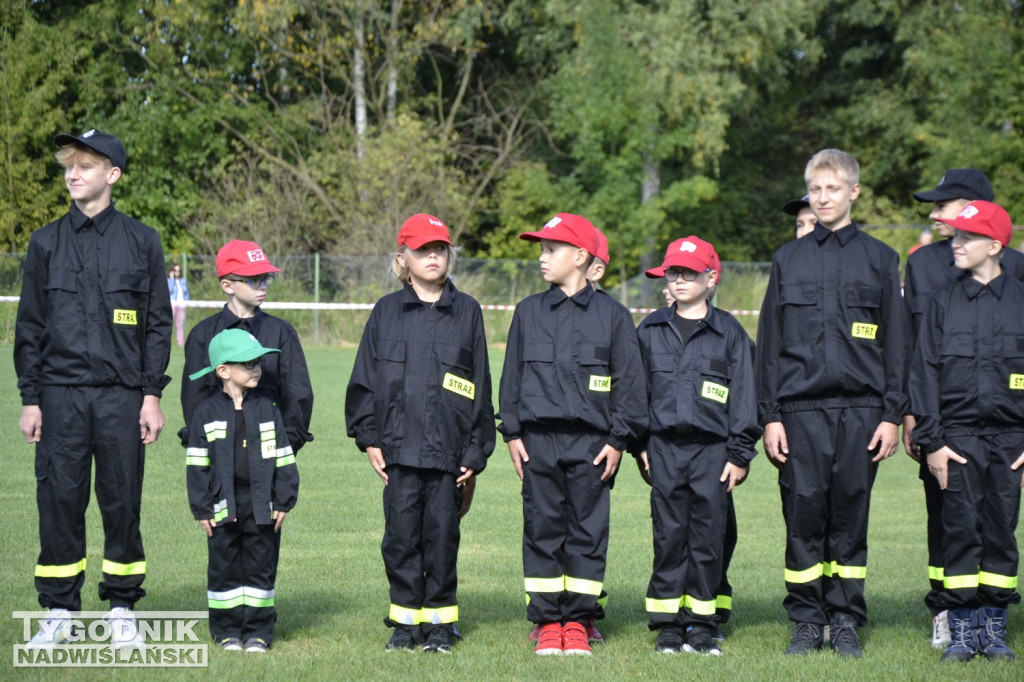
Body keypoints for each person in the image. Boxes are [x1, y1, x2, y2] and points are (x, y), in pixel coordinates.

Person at [15, 129, 172, 647]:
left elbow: (156, 326)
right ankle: (60, 609)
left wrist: (151, 396)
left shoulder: (143, 241)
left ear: (113, 175)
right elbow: (31, 326)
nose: (72, 174)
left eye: (84, 165)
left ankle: (122, 604)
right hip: (58, 396)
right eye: (68, 166)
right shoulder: (44, 243)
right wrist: (30, 398)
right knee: (59, 499)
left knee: (121, 499)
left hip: (123, 398)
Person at [756, 149, 909, 658]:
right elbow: (770, 346)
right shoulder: (787, 259)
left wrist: (891, 416)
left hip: (863, 413)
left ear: (853, 193)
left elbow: (897, 346)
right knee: (802, 517)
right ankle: (805, 619)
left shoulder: (881, 259)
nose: (823, 198)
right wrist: (770, 417)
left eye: (833, 189)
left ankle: (844, 619)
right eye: (815, 190)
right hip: (799, 414)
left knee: (849, 518)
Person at [497, 213, 647, 656]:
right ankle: (547, 621)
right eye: (541, 250)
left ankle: (579, 620)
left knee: (587, 532)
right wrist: (513, 433)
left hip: (594, 446)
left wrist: (618, 441)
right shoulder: (528, 312)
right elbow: (511, 380)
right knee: (542, 530)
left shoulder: (614, 316)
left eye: (551, 249)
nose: (542, 258)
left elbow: (631, 386)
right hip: (538, 443)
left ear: (580, 256)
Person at [345, 214, 495, 654]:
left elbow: (480, 385)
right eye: (423, 250)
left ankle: (440, 625)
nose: (433, 256)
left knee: (443, 538)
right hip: (399, 451)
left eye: (440, 249)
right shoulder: (386, 312)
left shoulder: (467, 311)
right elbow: (364, 382)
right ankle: (405, 624)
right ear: (402, 259)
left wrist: (475, 448)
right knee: (401, 539)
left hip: (450, 454)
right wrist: (369, 438)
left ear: (450, 255)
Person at [902, 168, 1024, 648]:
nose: (956, 242)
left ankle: (994, 624)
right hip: (956, 441)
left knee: (1000, 532)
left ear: (994, 246)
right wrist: (932, 441)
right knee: (958, 532)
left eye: (969, 237)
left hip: (1010, 442)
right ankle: (961, 625)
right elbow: (923, 373)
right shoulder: (939, 302)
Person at [636, 236, 759, 656]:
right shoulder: (650, 329)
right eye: (673, 272)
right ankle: (669, 625)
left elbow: (745, 396)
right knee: (669, 535)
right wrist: (640, 445)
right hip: (664, 448)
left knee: (708, 537)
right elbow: (637, 393)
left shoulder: (730, 333)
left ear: (711, 279)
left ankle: (703, 625)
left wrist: (739, 453)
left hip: (713, 452)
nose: (680, 280)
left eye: (690, 273)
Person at [187, 329, 298, 652]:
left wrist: (283, 499)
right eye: (247, 364)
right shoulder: (206, 412)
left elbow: (283, 457)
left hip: (262, 503)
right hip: (223, 503)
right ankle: (227, 632)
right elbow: (197, 465)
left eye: (258, 363)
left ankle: (258, 632)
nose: (256, 369)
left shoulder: (267, 408)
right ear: (223, 371)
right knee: (224, 568)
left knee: (260, 566)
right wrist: (202, 508)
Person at [181, 241, 314, 457]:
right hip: (219, 451)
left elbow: (297, 392)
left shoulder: (281, 332)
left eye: (266, 278)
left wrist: (287, 443)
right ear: (227, 285)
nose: (263, 285)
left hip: (271, 448)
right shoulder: (203, 334)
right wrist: (204, 445)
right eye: (253, 279)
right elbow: (195, 396)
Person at [168, 263, 191, 347]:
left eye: (179, 270)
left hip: (181, 305)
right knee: (169, 324)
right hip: (172, 304)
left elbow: (186, 293)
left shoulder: (183, 281)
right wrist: (171, 278)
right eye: (175, 270)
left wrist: (187, 302)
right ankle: (167, 341)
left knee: (180, 325)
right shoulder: (169, 281)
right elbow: (169, 290)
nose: (177, 272)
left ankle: (180, 343)